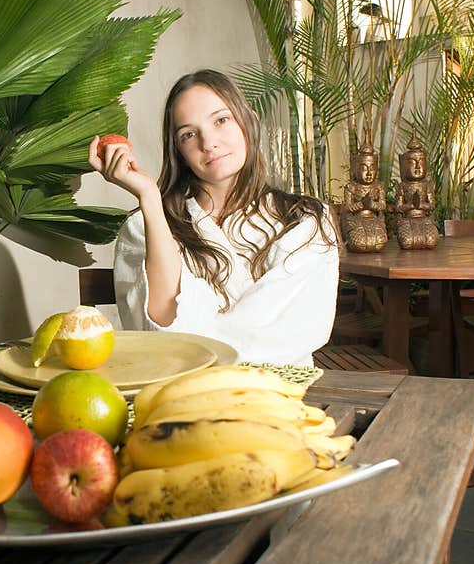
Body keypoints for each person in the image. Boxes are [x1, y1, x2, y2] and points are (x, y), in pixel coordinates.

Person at [87, 69, 339, 367]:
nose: (208, 143)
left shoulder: (307, 220)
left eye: (221, 120)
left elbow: (295, 334)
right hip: (182, 398)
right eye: (189, 134)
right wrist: (150, 199)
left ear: (250, 124)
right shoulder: (144, 226)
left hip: (284, 397)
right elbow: (159, 338)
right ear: (179, 151)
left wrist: (196, 338)